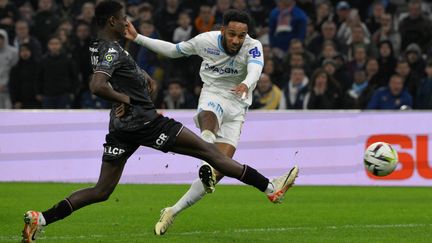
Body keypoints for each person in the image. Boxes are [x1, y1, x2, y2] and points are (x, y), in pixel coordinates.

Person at [21, 2, 299, 242]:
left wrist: (139, 80)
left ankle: (41, 219)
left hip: (120, 129)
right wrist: (129, 100)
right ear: (113, 22)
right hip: (146, 122)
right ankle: (270, 188)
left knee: (101, 190)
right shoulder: (112, 51)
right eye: (123, 17)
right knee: (212, 154)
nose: (127, 20)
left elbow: (118, 72)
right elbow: (98, 85)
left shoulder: (102, 46)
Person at [124, 8, 289, 235]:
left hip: (239, 105)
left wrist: (246, 84)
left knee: (219, 169)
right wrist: (137, 38)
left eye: (241, 36)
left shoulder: (254, 46)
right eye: (232, 34)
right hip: (213, 93)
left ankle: (172, 210)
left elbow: (255, 69)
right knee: (210, 116)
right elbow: (173, 51)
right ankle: (207, 157)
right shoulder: (205, 41)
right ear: (222, 30)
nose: (236, 40)